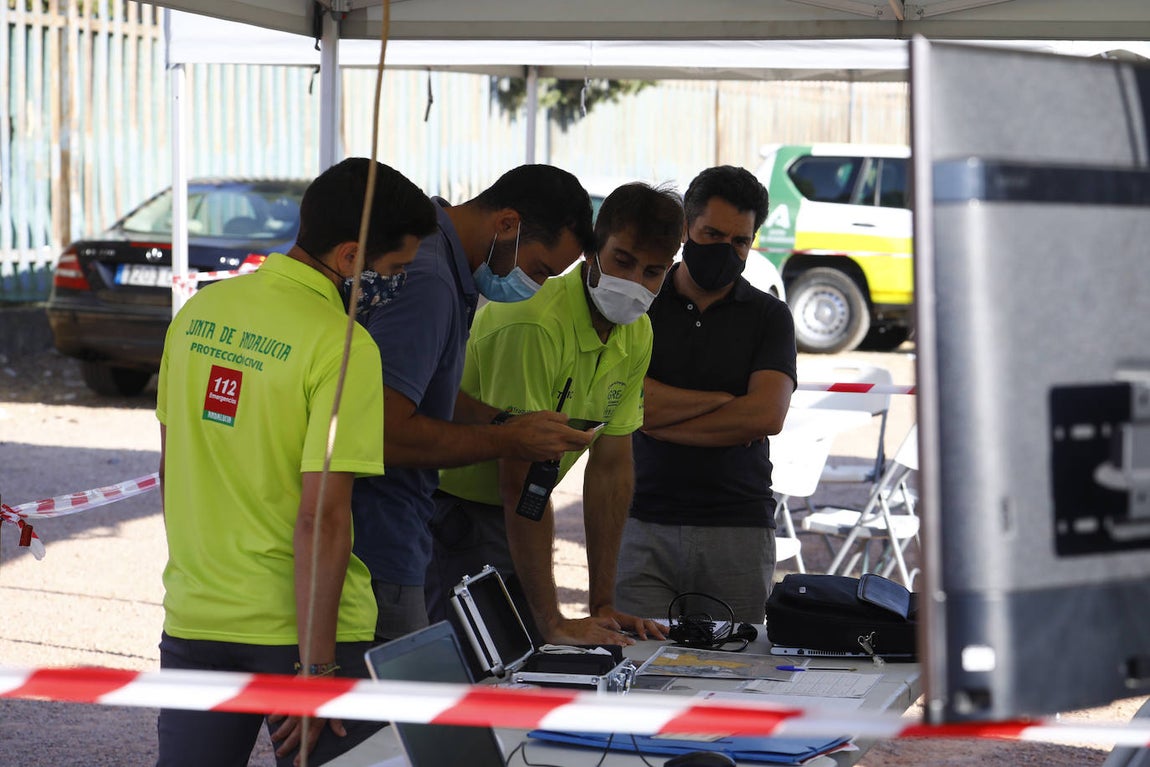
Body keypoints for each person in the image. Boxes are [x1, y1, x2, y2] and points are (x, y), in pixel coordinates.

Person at [154, 158, 437, 767]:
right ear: (350, 257)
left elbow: (171, 471)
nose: (397, 285)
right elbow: (324, 519)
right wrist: (317, 669)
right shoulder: (344, 346)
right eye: (395, 270)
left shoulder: (196, 316)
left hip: (196, 616)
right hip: (301, 635)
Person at [426, 182, 684, 646]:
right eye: (622, 261)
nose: (635, 284)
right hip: (457, 516)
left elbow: (611, 469)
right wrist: (553, 621)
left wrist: (602, 604)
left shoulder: (637, 331)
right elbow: (520, 477)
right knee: (487, 673)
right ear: (592, 252)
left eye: (653, 272)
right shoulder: (533, 321)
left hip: (519, 511)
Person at [351, 164, 597, 643]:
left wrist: (505, 420)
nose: (540, 286)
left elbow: (423, 392)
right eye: (541, 269)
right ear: (506, 224)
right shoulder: (431, 282)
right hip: (376, 538)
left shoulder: (441, 261)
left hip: (390, 531)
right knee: (387, 710)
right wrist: (507, 439)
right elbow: (384, 429)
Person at [614, 165, 797, 626]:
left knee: (735, 679)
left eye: (740, 241)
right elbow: (623, 402)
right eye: (712, 234)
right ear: (685, 230)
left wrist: (653, 415)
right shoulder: (640, 304)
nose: (726, 250)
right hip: (639, 520)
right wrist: (722, 402)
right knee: (635, 676)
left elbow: (765, 416)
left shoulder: (770, 316)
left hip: (737, 526)